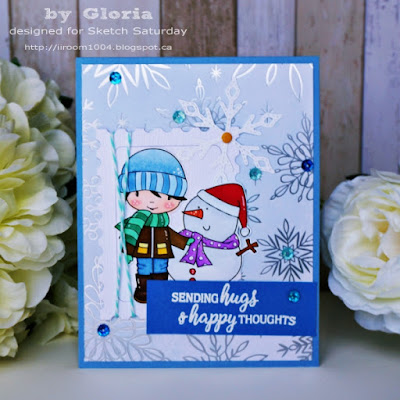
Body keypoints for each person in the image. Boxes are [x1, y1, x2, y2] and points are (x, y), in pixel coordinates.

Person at [116, 149, 192, 303]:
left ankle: (161, 291)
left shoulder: (163, 222)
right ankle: (143, 290)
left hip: (161, 251)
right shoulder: (136, 223)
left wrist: (184, 241)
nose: (151, 202)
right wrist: (127, 246)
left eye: (167, 197)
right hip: (142, 250)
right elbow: (131, 235)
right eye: (138, 194)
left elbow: (170, 235)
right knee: (144, 268)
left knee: (160, 268)